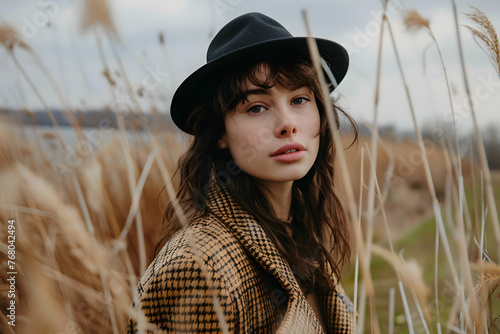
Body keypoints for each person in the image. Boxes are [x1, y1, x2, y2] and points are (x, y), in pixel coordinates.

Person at [128, 12, 357, 334]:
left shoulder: (297, 229)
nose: (287, 123)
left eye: (300, 99)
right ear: (219, 133)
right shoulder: (197, 269)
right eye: (256, 108)